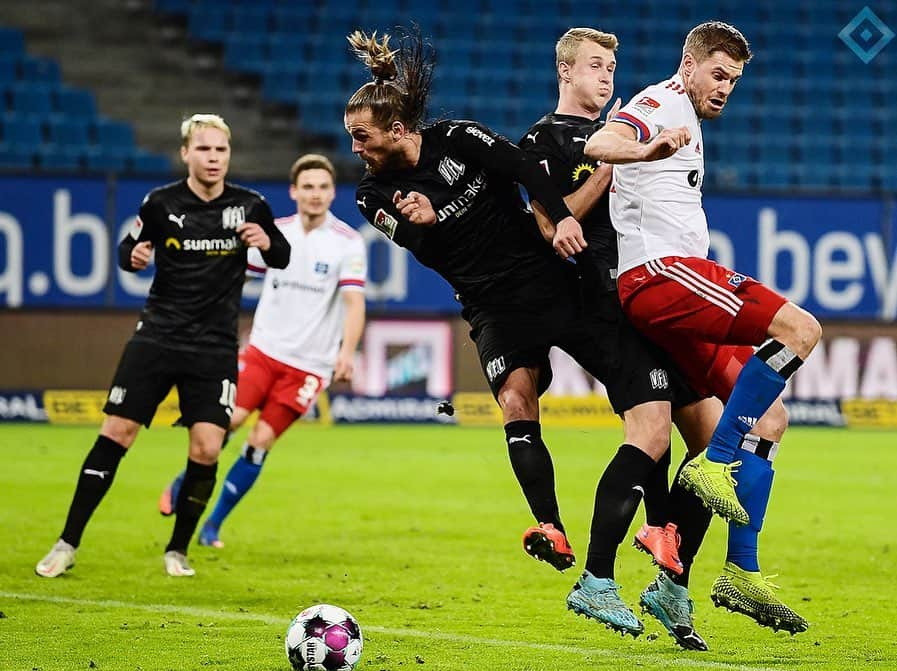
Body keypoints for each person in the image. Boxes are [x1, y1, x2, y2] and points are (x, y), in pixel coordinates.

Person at [345, 27, 706, 642]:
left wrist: (562, 215)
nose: (356, 147)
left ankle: (659, 543)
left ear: (400, 129)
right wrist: (426, 222)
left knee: (650, 405)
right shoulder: (371, 193)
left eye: (362, 136)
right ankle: (552, 527)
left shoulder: (458, 137)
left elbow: (520, 169)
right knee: (516, 399)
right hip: (493, 308)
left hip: (556, 286)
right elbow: (419, 246)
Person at [586, 21, 820, 633]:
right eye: (718, 75)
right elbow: (601, 144)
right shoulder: (659, 102)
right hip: (659, 277)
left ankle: (725, 575)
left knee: (769, 420)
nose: (724, 89)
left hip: (678, 286)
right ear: (688, 65)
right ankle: (716, 462)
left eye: (734, 81)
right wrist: (646, 148)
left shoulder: (685, 110)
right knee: (800, 330)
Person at [521, 27, 728, 650]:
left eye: (613, 66)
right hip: (608, 305)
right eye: (594, 65)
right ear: (566, 72)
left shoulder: (630, 124)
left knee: (716, 444)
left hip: (659, 292)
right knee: (651, 433)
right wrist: (611, 169)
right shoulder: (545, 142)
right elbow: (548, 223)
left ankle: (672, 578)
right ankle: (598, 577)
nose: (607, 76)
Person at [34, 114, 291, 578]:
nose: (213, 158)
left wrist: (266, 242)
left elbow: (283, 255)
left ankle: (178, 550)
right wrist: (131, 258)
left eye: (221, 151)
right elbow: (126, 250)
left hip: (213, 348)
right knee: (117, 434)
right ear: (186, 154)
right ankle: (66, 542)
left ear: (228, 155)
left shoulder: (250, 205)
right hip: (156, 337)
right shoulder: (161, 203)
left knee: (208, 448)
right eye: (204, 149)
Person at [157, 153, 367, 548]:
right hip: (262, 352)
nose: (316, 194)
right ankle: (183, 482)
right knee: (225, 425)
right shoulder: (274, 233)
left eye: (323, 187)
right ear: (294, 192)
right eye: (308, 187)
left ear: (332, 192)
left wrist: (347, 352)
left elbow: (355, 302)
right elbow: (231, 275)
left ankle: (212, 525)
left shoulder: (347, 243)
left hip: (309, 367)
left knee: (260, 443)